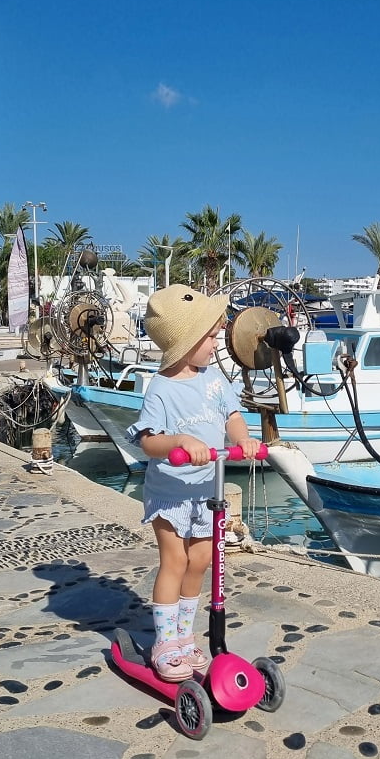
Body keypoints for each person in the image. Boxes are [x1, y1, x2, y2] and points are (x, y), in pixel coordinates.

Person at [125, 285, 261, 682]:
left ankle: (185, 636)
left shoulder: (215, 380)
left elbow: (232, 416)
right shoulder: (161, 389)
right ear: (185, 342)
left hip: (207, 490)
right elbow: (149, 441)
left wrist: (243, 439)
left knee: (202, 561)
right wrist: (180, 442)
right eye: (211, 336)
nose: (217, 342)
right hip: (171, 491)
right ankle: (164, 642)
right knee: (176, 560)